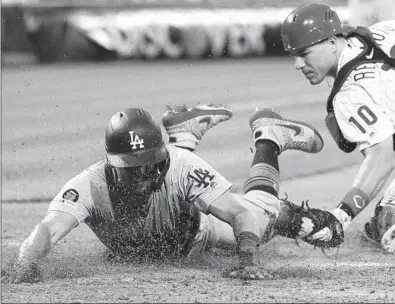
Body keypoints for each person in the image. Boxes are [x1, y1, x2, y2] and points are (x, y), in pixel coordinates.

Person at [2, 103, 336, 283]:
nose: (145, 176)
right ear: (111, 164)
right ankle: (185, 131)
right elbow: (48, 229)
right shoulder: (87, 186)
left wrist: (247, 258)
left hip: (198, 233)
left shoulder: (179, 165)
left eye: (152, 165)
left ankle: (269, 137)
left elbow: (238, 214)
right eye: (134, 169)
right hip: (166, 239)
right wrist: (26, 262)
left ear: (163, 156)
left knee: (262, 220)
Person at [280, 2, 395, 254]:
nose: (297, 64)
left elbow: (382, 160)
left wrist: (342, 214)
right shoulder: (385, 29)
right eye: (293, 56)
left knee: (383, 225)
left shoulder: (349, 94)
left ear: (331, 42)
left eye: (304, 53)